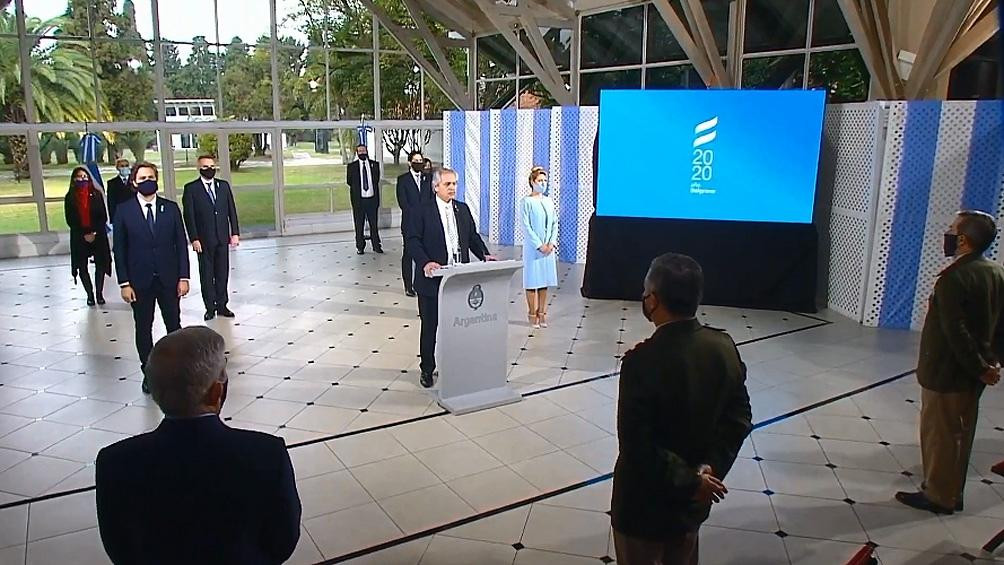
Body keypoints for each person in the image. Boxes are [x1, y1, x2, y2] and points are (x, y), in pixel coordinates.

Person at [95, 326, 301, 565]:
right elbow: (283, 539)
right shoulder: (266, 454)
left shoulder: (115, 463)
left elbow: (120, 548)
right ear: (216, 391)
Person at [611, 253, 752, 565]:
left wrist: (690, 481)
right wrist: (708, 471)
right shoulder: (723, 347)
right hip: (693, 505)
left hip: (644, 507)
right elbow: (739, 418)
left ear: (654, 300)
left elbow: (637, 445)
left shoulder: (641, 363)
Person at [896, 210, 1004, 515]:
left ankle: (939, 496)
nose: (947, 233)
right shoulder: (996, 273)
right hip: (974, 372)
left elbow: (956, 332)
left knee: (940, 435)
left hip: (948, 372)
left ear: (965, 240)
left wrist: (980, 368)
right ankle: (951, 491)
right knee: (960, 432)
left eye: (952, 229)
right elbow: (1000, 324)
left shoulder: (953, 279)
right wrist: (990, 363)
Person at [406, 167, 495, 388]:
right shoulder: (421, 211)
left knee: (458, 326)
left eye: (455, 183)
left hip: (458, 279)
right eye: (448, 184)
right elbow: (413, 241)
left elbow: (472, 237)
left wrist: (484, 254)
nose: (453, 188)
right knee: (430, 327)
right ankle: (427, 369)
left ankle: (459, 365)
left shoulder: (462, 209)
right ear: (436, 187)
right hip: (431, 281)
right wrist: (426, 262)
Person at [113, 162, 190, 393]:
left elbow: (181, 245)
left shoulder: (171, 208)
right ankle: (148, 373)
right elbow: (120, 249)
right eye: (142, 177)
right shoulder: (124, 211)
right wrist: (124, 283)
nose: (147, 180)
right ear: (134, 182)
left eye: (151, 176)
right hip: (140, 282)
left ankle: (177, 371)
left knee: (174, 326)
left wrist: (183, 277)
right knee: (144, 328)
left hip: (168, 279)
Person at [182, 155, 240, 321]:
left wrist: (234, 233)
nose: (210, 169)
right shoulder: (191, 189)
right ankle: (210, 307)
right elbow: (189, 216)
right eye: (206, 167)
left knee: (222, 273)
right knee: (207, 275)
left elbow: (231, 210)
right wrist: (194, 238)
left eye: (212, 166)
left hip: (222, 238)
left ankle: (222, 305)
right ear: (199, 168)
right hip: (204, 241)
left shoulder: (223, 186)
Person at [64, 167, 112, 306]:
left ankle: (99, 293)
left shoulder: (96, 194)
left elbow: (102, 216)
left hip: (98, 234)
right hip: (80, 236)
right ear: (74, 179)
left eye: (85, 176)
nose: (83, 179)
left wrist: (94, 233)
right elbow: (70, 219)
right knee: (82, 266)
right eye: (79, 176)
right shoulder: (70, 197)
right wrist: (84, 234)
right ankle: (89, 295)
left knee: (101, 265)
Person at [521, 166, 558, 329]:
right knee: (532, 281)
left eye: (545, 181)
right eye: (540, 181)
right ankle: (532, 313)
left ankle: (542, 312)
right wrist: (538, 244)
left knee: (544, 281)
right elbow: (526, 226)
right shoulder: (526, 202)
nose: (543, 184)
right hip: (533, 248)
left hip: (548, 248)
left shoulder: (548, 201)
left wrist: (551, 242)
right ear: (532, 182)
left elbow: (554, 223)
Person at [396, 149, 432, 297]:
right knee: (409, 253)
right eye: (416, 161)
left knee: (424, 253)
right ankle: (408, 285)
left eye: (421, 161)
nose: (419, 163)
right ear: (410, 162)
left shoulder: (427, 179)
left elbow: (430, 200)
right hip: (410, 223)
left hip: (426, 223)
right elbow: (403, 203)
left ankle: (421, 283)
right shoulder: (403, 180)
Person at [346, 143, 382, 255]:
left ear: (367, 151)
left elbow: (376, 180)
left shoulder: (374, 165)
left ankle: (376, 246)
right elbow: (349, 182)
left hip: (372, 200)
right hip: (359, 201)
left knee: (373, 224)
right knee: (359, 224)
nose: (362, 152)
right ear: (357, 153)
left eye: (364, 150)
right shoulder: (352, 167)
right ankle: (360, 246)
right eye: (360, 151)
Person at [106, 157, 133, 224]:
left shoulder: (134, 180)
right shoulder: (112, 183)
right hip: (120, 215)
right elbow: (111, 202)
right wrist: (113, 219)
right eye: (122, 166)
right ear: (117, 168)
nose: (124, 168)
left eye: (126, 165)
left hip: (134, 213)